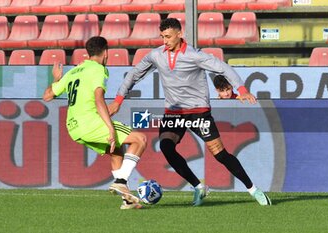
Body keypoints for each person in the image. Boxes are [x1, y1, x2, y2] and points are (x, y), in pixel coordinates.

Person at [109, 18, 271, 206]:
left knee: (220, 155)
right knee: (166, 148)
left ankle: (254, 190)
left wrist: (241, 90)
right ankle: (198, 186)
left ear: (180, 34)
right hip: (174, 113)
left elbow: (224, 68)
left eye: (168, 36)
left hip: (198, 113)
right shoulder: (156, 55)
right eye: (162, 37)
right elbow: (134, 74)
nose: (165, 41)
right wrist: (119, 99)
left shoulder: (195, 55)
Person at [42, 36, 146, 210]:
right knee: (140, 139)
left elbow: (47, 96)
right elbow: (99, 99)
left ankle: (127, 199)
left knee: (116, 151)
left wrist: (56, 80)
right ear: (106, 53)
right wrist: (110, 128)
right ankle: (120, 181)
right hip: (90, 122)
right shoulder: (98, 69)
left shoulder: (74, 71)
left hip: (74, 128)